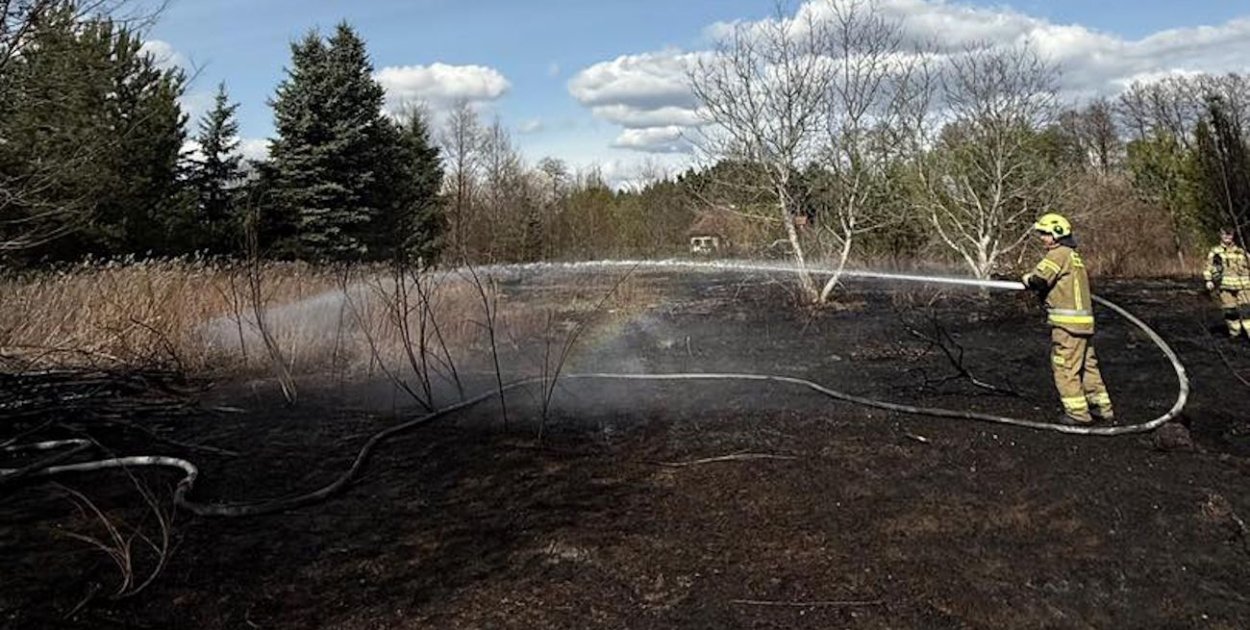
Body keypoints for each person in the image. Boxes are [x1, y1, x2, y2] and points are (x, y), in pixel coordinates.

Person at [1021, 213, 1114, 425]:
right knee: (1087, 366)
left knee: (1065, 367)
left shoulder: (1058, 254)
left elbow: (1040, 280)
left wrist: (1026, 279)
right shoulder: (1073, 255)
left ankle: (1077, 414)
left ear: (1056, 234)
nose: (1042, 238)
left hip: (1067, 326)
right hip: (1083, 325)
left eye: (1045, 234)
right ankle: (1101, 408)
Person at [1203, 226, 1250, 338]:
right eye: (1225, 234)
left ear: (1233, 236)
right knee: (1230, 311)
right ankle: (1235, 332)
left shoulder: (1242, 251)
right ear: (1220, 235)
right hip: (1225, 287)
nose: (1227, 237)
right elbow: (1208, 266)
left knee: (1247, 310)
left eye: (1229, 234)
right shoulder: (1215, 252)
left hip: (1244, 286)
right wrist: (1208, 280)